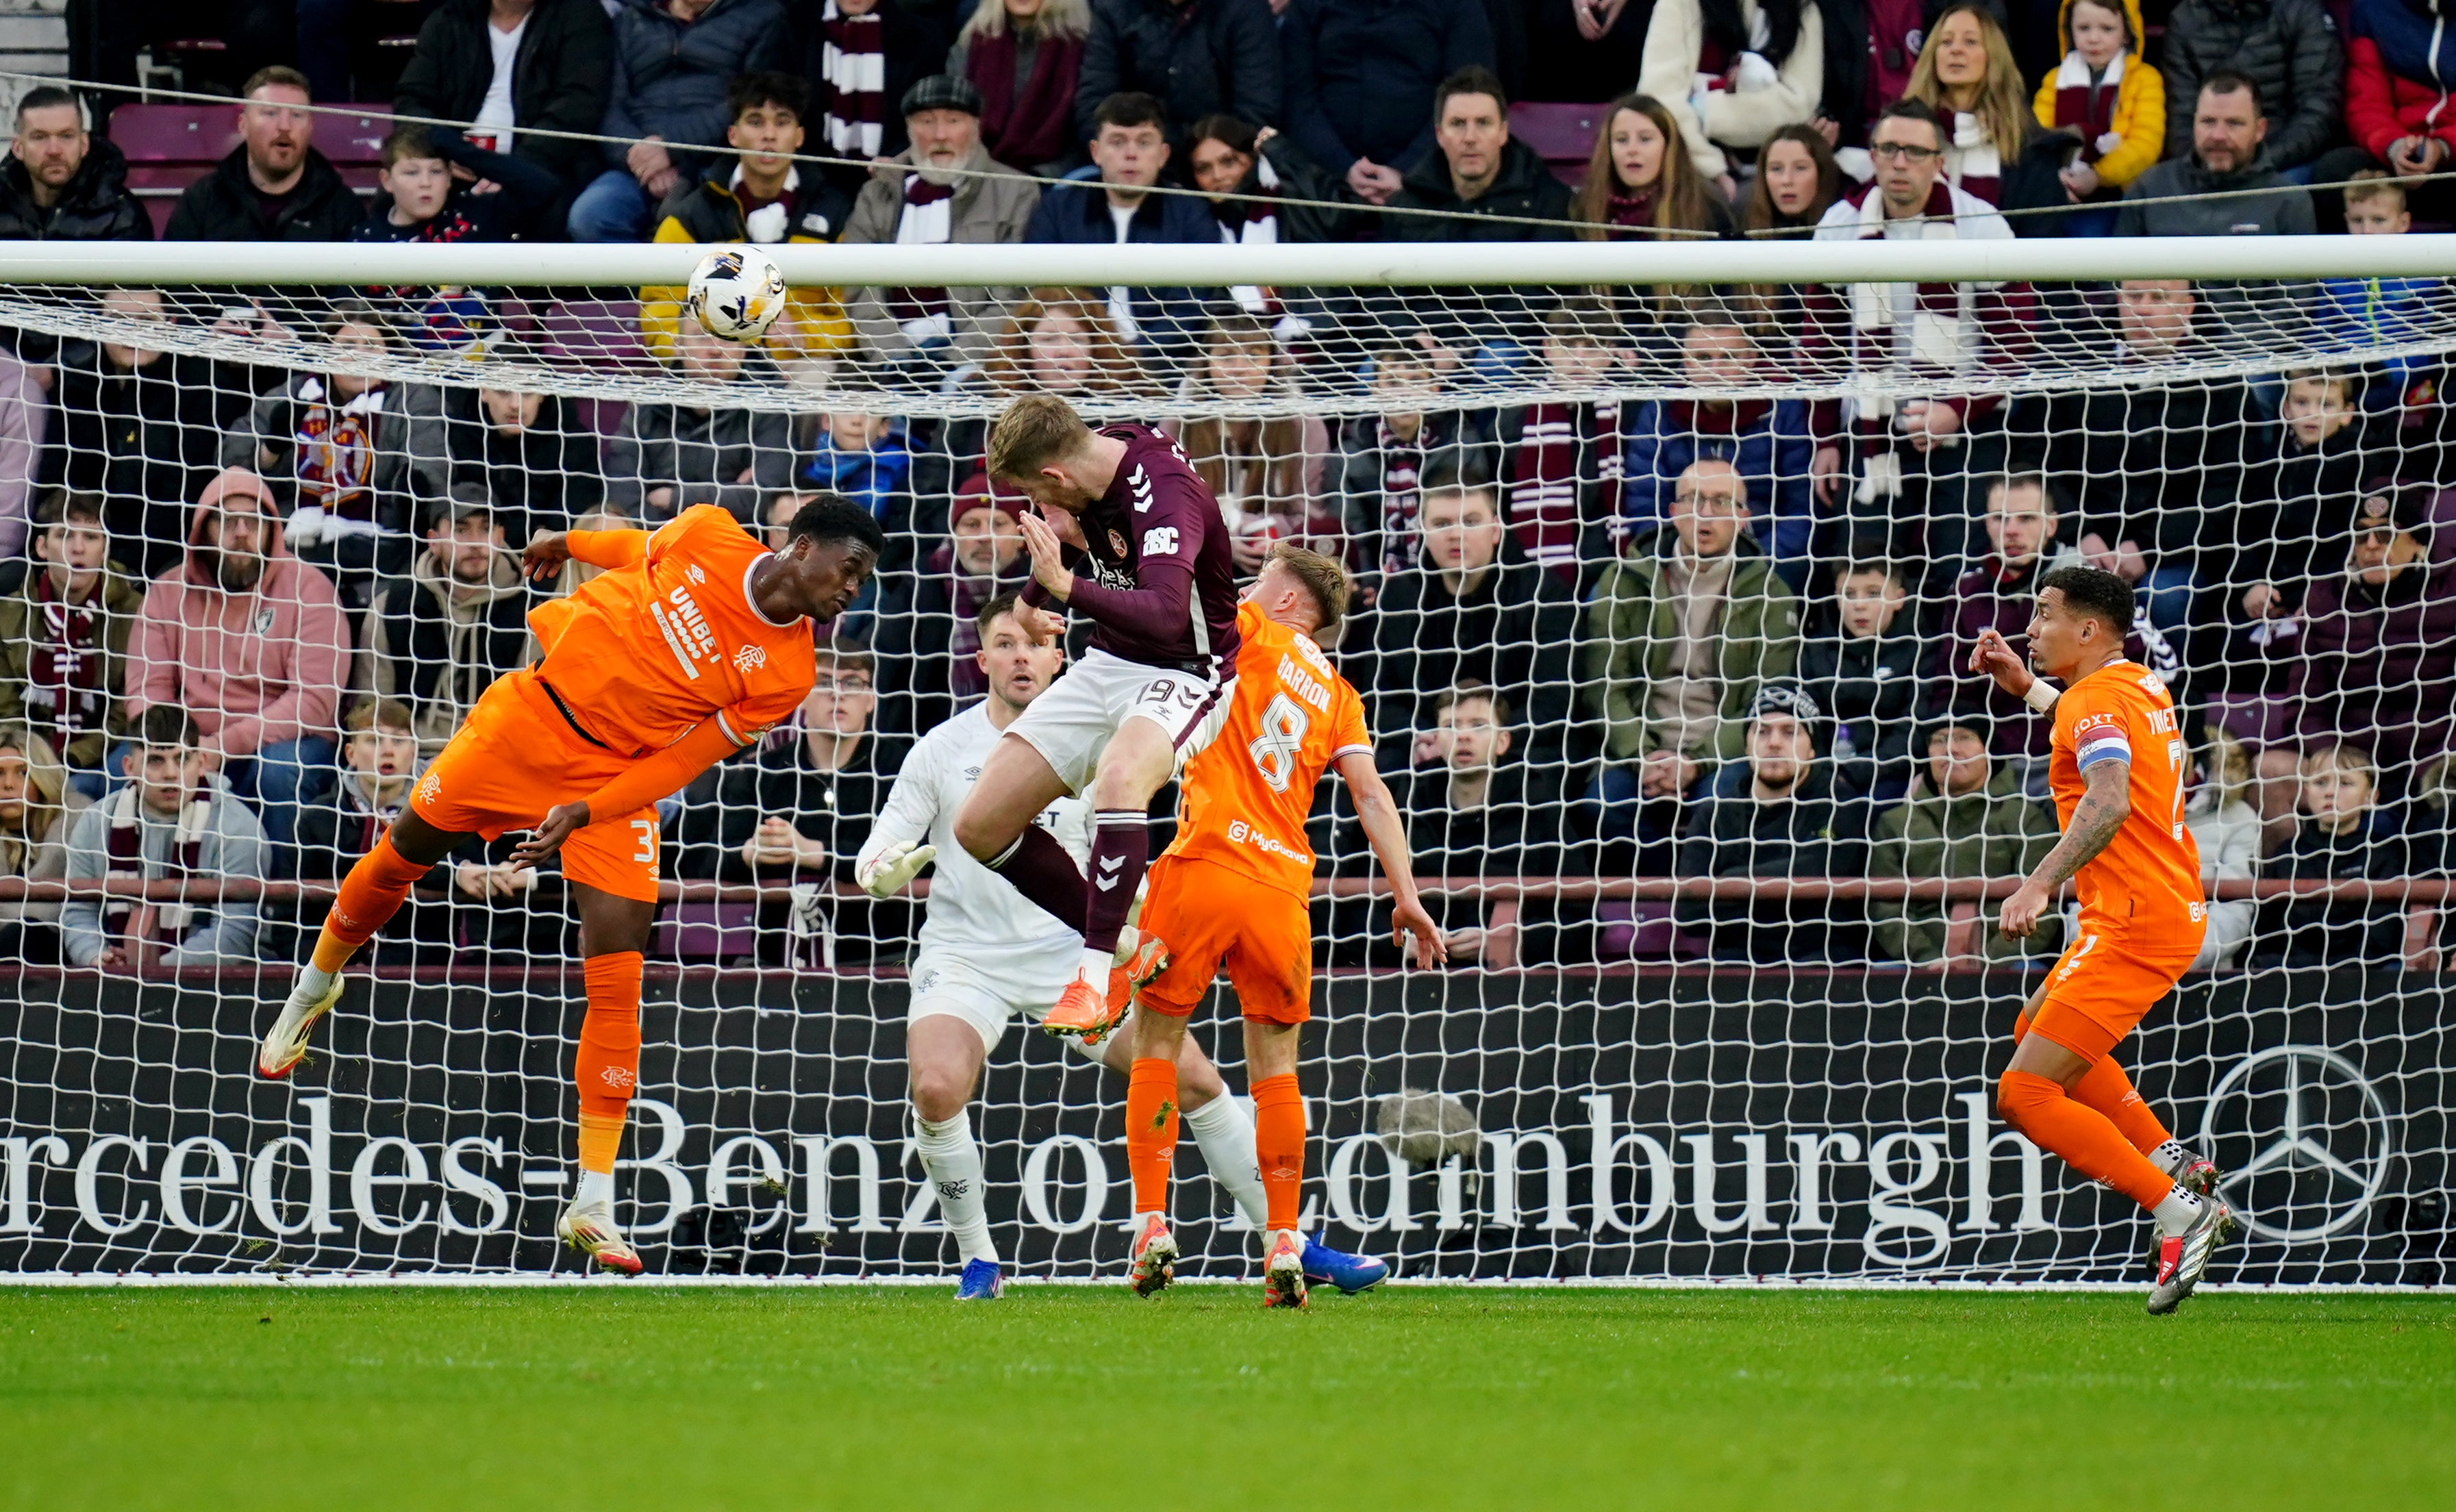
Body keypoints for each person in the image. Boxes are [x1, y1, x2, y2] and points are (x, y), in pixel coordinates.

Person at [259, 497, 886, 1276]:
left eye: (865, 578)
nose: (854, 588)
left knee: (619, 964)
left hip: (615, 782)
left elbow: (680, 765)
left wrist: (589, 809)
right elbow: (633, 550)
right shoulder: (708, 532)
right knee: (404, 852)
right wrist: (565, 540)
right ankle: (315, 985)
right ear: (800, 549)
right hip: (527, 721)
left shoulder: (788, 672)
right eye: (850, 568)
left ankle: (592, 1199)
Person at [855, 589, 1394, 1299]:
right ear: (981, 657)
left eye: (1035, 644)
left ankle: (1288, 1237)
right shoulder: (941, 749)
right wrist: (881, 870)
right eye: (1007, 644)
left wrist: (1137, 910)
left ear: (1059, 655)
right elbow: (878, 849)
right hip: (966, 955)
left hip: (1072, 953)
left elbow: (1118, 852)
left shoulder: (1106, 735)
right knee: (934, 1087)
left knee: (1196, 1079)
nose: (1022, 657)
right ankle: (979, 1259)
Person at [1112, 544, 1441, 1303]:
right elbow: (1371, 796)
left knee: (1156, 1042)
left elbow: (1178, 581)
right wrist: (1407, 894)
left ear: (1289, 603)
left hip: (1202, 865)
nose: (1249, 589)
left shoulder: (1250, 628)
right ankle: (1285, 1239)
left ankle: (1152, 1223)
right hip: (1281, 890)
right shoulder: (1338, 694)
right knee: (1276, 1071)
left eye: (1262, 582)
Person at [1968, 564, 2234, 1315]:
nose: (2030, 625)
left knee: (2023, 1093)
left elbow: (2108, 797)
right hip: (2158, 907)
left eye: (2044, 614)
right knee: (2033, 1031)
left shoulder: (2095, 703)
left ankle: (2181, 1212)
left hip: (2132, 922)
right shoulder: (2136, 685)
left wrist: (2037, 883)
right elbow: (2092, 730)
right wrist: (2026, 688)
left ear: (2088, 630)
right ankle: (2173, 1162)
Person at [953, 394, 1242, 1040]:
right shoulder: (1097, 451)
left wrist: (1062, 589)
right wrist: (1033, 598)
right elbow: (1076, 535)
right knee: (978, 825)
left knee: (1119, 780)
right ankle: (1126, 942)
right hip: (1109, 660)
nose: (1039, 507)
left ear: (1055, 476)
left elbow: (1169, 613)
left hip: (1188, 670)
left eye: (1034, 492)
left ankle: (1093, 979)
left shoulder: (1164, 493)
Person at [1806, 100, 2033, 567]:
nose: (1900, 162)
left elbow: (2016, 343)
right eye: (1888, 148)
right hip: (1870, 432)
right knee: (1865, 572)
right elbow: (1819, 342)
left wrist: (1955, 409)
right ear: (1872, 156)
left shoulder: (1981, 224)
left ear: (1940, 162)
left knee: (1958, 573)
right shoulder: (1840, 226)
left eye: (1914, 151)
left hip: (1967, 430)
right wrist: (1825, 439)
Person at [1583, 457, 1803, 863]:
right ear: (1673, 512)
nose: (1705, 514)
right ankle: (1643, 918)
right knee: (1604, 806)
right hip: (1639, 749)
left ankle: (1693, 920)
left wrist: (1696, 763)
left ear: (1743, 517)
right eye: (1694, 500)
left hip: (1723, 752)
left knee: (1722, 806)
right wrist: (1645, 757)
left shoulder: (1772, 593)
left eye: (1721, 502)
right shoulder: (1624, 579)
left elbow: (1763, 702)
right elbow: (1604, 687)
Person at [127, 468, 350, 849]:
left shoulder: (311, 589)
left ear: (272, 531)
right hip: (187, 746)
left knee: (281, 772)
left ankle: (283, 902)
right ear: (205, 529)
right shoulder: (168, 591)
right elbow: (146, 691)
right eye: (230, 521)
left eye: (256, 521)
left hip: (283, 743)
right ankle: (135, 894)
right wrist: (176, 752)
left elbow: (314, 702)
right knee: (121, 765)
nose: (243, 532)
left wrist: (223, 746)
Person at [2026, 279, 2255, 635]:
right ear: (2118, 300)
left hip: (2175, 553)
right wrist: (2080, 532)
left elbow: (2227, 492)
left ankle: (2170, 690)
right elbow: (2041, 463)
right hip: (2080, 543)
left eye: (2159, 298)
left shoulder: (2221, 383)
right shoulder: (2076, 368)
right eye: (2134, 296)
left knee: (2165, 596)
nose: (2143, 309)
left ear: (2188, 307)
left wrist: (2147, 547)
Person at [672, 640, 905, 964]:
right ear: (801, 696)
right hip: (778, 962)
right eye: (823, 682)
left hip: (885, 957)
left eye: (852, 683)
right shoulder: (761, 773)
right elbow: (700, 860)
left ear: (871, 699)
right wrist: (752, 852)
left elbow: (914, 855)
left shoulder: (900, 770)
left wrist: (812, 853)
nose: (837, 694)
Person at [223, 301, 451, 609]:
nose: (360, 354)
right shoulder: (292, 396)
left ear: (389, 354)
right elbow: (233, 460)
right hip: (290, 548)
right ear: (326, 352)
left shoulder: (412, 399)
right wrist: (270, 452)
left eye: (371, 345)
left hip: (379, 554)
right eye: (347, 344)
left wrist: (409, 490)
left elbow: (431, 470)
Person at [1356, 455, 1581, 767]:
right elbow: (1379, 697)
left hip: (1516, 749)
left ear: (1496, 529)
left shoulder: (1545, 593)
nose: (1456, 534)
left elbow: (1554, 700)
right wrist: (1430, 738)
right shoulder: (1398, 598)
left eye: (1471, 522)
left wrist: (1487, 741)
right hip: (1424, 750)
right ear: (1423, 530)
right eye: (1442, 524)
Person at [639, 73, 857, 368]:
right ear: (733, 135)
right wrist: (695, 348)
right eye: (756, 122)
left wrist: (803, 338)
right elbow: (658, 308)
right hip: (713, 365)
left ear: (799, 136)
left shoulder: (835, 212)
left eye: (782, 122)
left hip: (802, 364)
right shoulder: (691, 215)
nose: (769, 135)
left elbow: (853, 317)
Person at [1338, 679, 1560, 966]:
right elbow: (1352, 909)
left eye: (1479, 725)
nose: (1463, 736)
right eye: (1452, 725)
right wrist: (1400, 944)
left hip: (1509, 987)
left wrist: (1507, 941)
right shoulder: (1404, 801)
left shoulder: (1539, 803)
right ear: (1436, 739)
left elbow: (1582, 921)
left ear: (1503, 741)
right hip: (1412, 980)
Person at [841, 74, 1043, 381]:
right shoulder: (878, 193)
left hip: (978, 365)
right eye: (925, 121)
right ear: (909, 130)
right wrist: (893, 357)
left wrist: (952, 361)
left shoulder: (1016, 192)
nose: (940, 135)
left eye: (953, 121)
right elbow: (858, 289)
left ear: (976, 127)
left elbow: (1014, 297)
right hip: (887, 363)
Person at [40, 288, 234, 578]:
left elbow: (185, 494)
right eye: (118, 320)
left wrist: (126, 568)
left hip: (168, 560)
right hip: (83, 555)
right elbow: (58, 484)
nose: (133, 331)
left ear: (171, 323)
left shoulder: (202, 386)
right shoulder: (75, 385)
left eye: (147, 320)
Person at [60, 705, 269, 972]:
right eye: (156, 760)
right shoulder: (94, 822)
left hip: (215, 984)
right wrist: (95, 956)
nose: (171, 773)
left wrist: (154, 970)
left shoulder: (239, 827)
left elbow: (235, 932)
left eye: (182, 759)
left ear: (202, 763)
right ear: (129, 766)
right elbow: (78, 914)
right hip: (110, 979)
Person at [1023, 91, 1219, 374]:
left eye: (1144, 142)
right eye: (1117, 142)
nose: (1131, 154)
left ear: (1163, 155)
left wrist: (1132, 358)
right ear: (1095, 152)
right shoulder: (1058, 209)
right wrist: (1094, 356)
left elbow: (1190, 310)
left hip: (1164, 370)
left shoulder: (1191, 214)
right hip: (1071, 365)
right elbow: (1039, 293)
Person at [1672, 680, 1867, 962]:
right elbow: (1690, 913)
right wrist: (1788, 891)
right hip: (1736, 963)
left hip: (1822, 963)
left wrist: (1728, 880)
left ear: (1812, 749)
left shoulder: (1841, 803)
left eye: (1790, 732)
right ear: (1747, 744)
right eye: (1762, 731)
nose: (1774, 742)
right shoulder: (1715, 813)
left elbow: (1824, 875)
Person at [569, 0, 791, 244]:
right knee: (590, 217)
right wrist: (641, 159)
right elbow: (609, 105)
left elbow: (748, 105)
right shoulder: (631, 19)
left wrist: (672, 148)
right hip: (636, 162)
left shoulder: (762, 15)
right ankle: (643, 284)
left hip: (715, 160)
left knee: (708, 221)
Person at [1623, 316, 1817, 587]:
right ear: (1686, 361)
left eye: (1728, 357)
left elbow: (1801, 509)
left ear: (1751, 358)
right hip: (1679, 564)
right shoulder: (1659, 414)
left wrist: (1754, 566)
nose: (1715, 369)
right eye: (1703, 357)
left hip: (1767, 563)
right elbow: (1646, 508)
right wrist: (1684, 562)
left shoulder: (1782, 411)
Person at [350, 125, 564, 355]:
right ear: (387, 181)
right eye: (411, 173)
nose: (425, 182)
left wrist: (464, 152)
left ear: (450, 178)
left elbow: (544, 188)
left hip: (484, 365)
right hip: (405, 372)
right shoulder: (365, 240)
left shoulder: (478, 213)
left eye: (436, 172)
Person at [1868, 713, 2058, 964]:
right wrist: (1927, 959)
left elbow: (2045, 906)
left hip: (2008, 963)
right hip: (1915, 965)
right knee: (1879, 977)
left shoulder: (2025, 818)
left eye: (1964, 738)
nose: (1951, 749)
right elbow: (1885, 909)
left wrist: (1992, 962)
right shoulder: (1894, 823)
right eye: (1939, 740)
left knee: (2033, 974)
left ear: (1988, 750)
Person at [391, 0, 615, 212]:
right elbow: (411, 100)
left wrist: (512, 169)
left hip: (538, 168)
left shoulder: (581, 15)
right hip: (453, 167)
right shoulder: (450, 18)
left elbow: (577, 106)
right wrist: (445, 154)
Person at [1280, 0, 1497, 206]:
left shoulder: (1457, 5)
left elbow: (1470, 98)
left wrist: (1406, 170)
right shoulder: (1310, 5)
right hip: (1322, 181)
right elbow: (1297, 97)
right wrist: (1343, 166)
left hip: (1432, 179)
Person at [367, 487, 538, 745]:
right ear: (433, 541)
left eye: (486, 529)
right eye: (461, 530)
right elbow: (372, 708)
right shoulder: (391, 607)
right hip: (411, 755)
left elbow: (528, 714)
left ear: (501, 537)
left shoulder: (532, 612)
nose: (475, 542)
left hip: (492, 752)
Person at [291, 698, 450, 967]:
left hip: (418, 969)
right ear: (351, 754)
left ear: (413, 751)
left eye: (399, 741)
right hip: (329, 966)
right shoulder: (317, 818)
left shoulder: (439, 814)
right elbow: (291, 919)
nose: (388, 751)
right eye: (375, 741)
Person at [0, 492, 145, 784]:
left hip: (107, 754)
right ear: (42, 547)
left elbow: (128, 709)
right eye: (64, 535)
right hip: (30, 757)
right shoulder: (9, 615)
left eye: (91, 537)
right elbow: (7, 708)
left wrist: (73, 757)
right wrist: (39, 760)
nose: (78, 549)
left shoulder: (137, 613)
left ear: (105, 549)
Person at [873, 473, 1031, 736]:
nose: (984, 537)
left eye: (998, 524)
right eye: (971, 524)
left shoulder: (1045, 592)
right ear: (954, 533)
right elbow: (889, 683)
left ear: (1021, 537)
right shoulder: (917, 589)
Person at [1326, 333, 1494, 580]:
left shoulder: (1461, 445)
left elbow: (1472, 523)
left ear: (1434, 390)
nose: (1404, 393)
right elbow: (1353, 536)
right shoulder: (1348, 458)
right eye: (1393, 383)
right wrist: (1371, 587)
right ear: (1374, 390)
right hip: (1377, 585)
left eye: (1416, 381)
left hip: (1448, 582)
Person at [1497, 298, 1629, 591]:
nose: (1579, 358)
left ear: (1611, 353)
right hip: (1535, 567)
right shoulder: (1516, 417)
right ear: (1547, 348)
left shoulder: (1628, 415)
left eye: (1592, 346)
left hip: (1608, 564)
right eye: (1568, 345)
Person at [1901, 1, 2070, 221]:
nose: (1956, 50)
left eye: (1970, 41)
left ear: (1993, 57)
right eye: (1946, 41)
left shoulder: (2030, 149)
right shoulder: (1901, 136)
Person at [604, 327, 797, 520]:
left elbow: (766, 499)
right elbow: (623, 499)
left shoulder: (770, 406)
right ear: (678, 345)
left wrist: (675, 498)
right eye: (702, 337)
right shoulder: (646, 408)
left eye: (728, 338)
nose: (716, 349)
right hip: (657, 544)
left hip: (737, 543)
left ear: (743, 348)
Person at [1175, 310, 1316, 569]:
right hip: (1197, 563)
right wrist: (1218, 540)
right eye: (1227, 357)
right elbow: (1168, 509)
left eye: (1254, 356)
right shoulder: (1179, 421)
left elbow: (1311, 515)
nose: (1240, 369)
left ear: (1272, 362)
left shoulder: (1303, 424)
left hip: (1284, 560)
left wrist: (1273, 538)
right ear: (1206, 362)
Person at [1636, 0, 1827, 189]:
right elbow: (1660, 102)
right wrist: (1713, 169)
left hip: (1777, 169)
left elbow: (1798, 105)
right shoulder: (1680, 5)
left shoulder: (1802, 9)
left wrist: (1704, 112)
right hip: (1689, 161)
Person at [164, 67, 365, 243]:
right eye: (270, 113)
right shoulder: (202, 200)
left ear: (310, 126)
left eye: (297, 115)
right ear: (243, 124)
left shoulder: (342, 206)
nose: (285, 127)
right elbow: (171, 283)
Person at [2257, 742, 2411, 967]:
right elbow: (2266, 935)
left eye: (2345, 783)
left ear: (2371, 797)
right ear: (2305, 792)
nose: (2330, 792)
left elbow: (2379, 944)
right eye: (2320, 782)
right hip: (2286, 981)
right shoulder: (2287, 855)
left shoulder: (2385, 854)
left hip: (2362, 981)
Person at [2114, 71, 2316, 238]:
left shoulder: (2289, 202)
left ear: (2260, 130)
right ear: (2194, 123)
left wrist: (2190, 287)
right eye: (2208, 122)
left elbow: (2299, 287)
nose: (2218, 136)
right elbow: (2112, 279)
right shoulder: (2151, 187)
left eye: (2234, 123)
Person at [1384, 66, 1575, 238]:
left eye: (1483, 123)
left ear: (1503, 133)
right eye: (1458, 123)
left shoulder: (1550, 205)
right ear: (1440, 135)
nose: (1470, 137)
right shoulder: (1404, 208)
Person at [2158, 0, 2342, 174]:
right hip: (2210, 163)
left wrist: (2258, 165)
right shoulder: (2185, 19)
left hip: (2284, 162)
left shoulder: (2301, 10)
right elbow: (2181, 125)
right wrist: (2213, 166)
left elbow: (2318, 112)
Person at [442, 356, 607, 546]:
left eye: (527, 392)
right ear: (484, 391)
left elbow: (572, 521)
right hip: (476, 554)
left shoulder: (574, 442)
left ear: (542, 394)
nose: (516, 404)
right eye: (504, 391)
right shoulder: (455, 434)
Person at [1796, 557, 1923, 796]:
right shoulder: (1815, 650)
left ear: (1899, 599)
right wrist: (1823, 773)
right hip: (1821, 774)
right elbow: (1806, 722)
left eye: (1873, 594)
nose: (1859, 605)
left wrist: (1855, 772)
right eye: (1849, 594)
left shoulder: (1920, 650)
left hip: (1890, 776)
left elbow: (1913, 731)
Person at [798, 0, 957, 190]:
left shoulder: (921, 39)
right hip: (809, 181)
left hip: (892, 180)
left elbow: (926, 114)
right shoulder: (796, 26)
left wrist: (898, 157)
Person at [1077, 0, 1281, 146]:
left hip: (1215, 167)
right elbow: (1094, 105)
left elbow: (1255, 111)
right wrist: (1140, 151)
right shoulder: (1114, 8)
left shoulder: (1246, 8)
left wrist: (1197, 156)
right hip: (1134, 159)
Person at [2030, 0, 2162, 215]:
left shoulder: (2145, 79)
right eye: (2083, 28)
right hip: (2059, 191)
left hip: (2124, 196)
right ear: (2069, 31)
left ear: (2128, 33)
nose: (2093, 38)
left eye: (2107, 29)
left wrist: (2098, 176)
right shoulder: (2054, 80)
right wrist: (2055, 178)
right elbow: (2036, 137)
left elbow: (2147, 144)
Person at [2336, 0, 2456, 225]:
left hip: (2452, 151)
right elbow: (2366, 101)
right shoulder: (2372, 9)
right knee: (2335, 169)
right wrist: (2394, 146)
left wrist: (2444, 146)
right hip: (2397, 150)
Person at [949, 0, 1090, 175]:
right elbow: (953, 115)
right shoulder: (973, 42)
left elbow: (1082, 134)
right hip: (975, 172)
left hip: (1049, 179)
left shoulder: (1080, 48)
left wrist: (1042, 176)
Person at [0, 86, 149, 244]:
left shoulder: (120, 215)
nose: (54, 150)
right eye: (40, 137)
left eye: (66, 136)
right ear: (18, 148)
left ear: (84, 144)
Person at [0, 725, 81, 963]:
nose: (8, 785)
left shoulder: (76, 825)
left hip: (55, 951)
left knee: (25, 932)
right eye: (0, 773)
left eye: (22, 772)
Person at [2185, 728, 2261, 972]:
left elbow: (2236, 908)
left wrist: (2183, 957)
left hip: (2205, 975)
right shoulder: (2120, 809)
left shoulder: (2239, 818)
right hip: (2118, 968)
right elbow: (2086, 901)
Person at [1737, 121, 1840, 236]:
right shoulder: (1743, 215)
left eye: (1800, 168)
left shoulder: (1846, 218)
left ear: (1822, 173)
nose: (1787, 180)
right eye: (1776, 169)